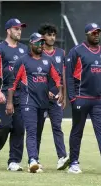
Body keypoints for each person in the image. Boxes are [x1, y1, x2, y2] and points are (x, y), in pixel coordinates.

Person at [65, 23, 101, 175]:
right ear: (87, 34)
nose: (96, 35)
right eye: (93, 32)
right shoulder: (76, 51)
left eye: (98, 32)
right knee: (77, 131)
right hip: (81, 97)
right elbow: (69, 76)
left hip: (99, 100)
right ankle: (74, 163)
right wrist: (72, 98)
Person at [6, 32, 63, 173]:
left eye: (42, 42)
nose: (41, 45)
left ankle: (35, 160)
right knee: (31, 131)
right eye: (38, 43)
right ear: (31, 44)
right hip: (27, 101)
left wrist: (60, 92)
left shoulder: (48, 61)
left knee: (37, 133)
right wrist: (9, 102)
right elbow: (13, 84)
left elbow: (57, 79)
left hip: (43, 103)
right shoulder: (22, 61)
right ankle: (32, 160)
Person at [0, 18, 28, 171]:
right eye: (16, 29)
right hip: (5, 92)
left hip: (21, 94)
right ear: (8, 30)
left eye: (20, 29)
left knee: (19, 127)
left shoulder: (24, 49)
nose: (19, 31)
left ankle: (14, 162)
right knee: (6, 125)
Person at [37, 23, 69, 170]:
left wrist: (63, 93)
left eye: (54, 35)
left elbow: (63, 75)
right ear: (42, 37)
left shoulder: (61, 53)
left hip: (56, 97)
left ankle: (62, 157)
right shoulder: (37, 51)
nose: (52, 37)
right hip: (39, 98)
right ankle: (34, 159)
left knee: (57, 127)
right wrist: (44, 91)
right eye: (49, 34)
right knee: (37, 129)